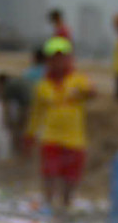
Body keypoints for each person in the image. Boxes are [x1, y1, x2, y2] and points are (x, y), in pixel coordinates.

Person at [25, 37, 94, 211]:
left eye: (62, 56)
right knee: (50, 174)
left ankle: (66, 206)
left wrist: (86, 91)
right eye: (54, 57)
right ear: (48, 60)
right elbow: (36, 113)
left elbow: (92, 92)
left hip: (75, 138)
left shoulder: (79, 79)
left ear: (69, 58)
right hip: (51, 136)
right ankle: (48, 205)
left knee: (71, 177)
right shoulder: (42, 85)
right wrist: (30, 134)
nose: (58, 61)